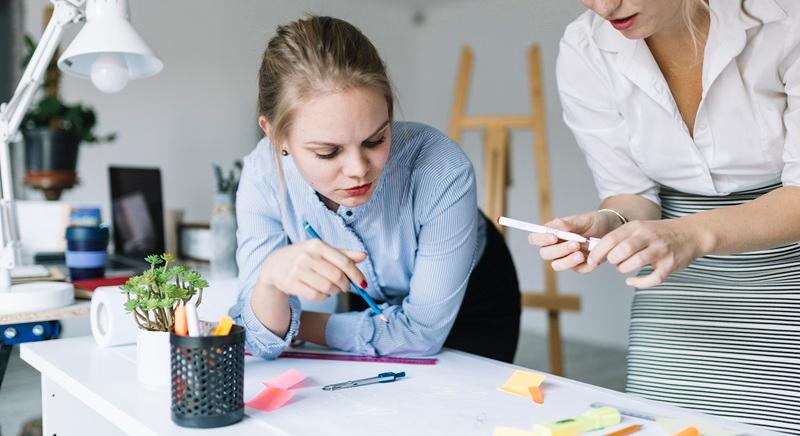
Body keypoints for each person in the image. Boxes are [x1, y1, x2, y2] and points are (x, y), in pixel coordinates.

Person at [531, 0, 800, 431]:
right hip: (679, 286)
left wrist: (687, 234)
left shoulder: (786, 22)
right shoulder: (586, 48)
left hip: (788, 268)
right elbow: (631, 197)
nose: (604, 7)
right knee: (665, 424)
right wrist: (610, 223)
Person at [229, 16, 521, 363]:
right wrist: (270, 282)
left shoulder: (442, 168)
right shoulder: (262, 176)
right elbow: (261, 340)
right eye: (328, 152)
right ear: (275, 135)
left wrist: (299, 324)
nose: (358, 170)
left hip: (471, 302)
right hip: (368, 301)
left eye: (375, 140)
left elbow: (420, 334)